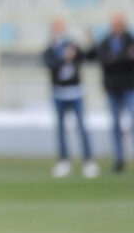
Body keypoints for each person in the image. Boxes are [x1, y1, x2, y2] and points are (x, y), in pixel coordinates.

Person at [43, 19, 98, 178]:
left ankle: (88, 161)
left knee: (81, 127)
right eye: (56, 28)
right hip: (59, 93)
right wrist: (64, 57)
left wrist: (90, 41)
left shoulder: (72, 46)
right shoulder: (50, 49)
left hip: (75, 92)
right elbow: (51, 65)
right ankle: (64, 161)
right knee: (61, 129)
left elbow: (91, 56)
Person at [86, 14, 134, 173]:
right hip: (112, 87)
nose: (117, 28)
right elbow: (95, 56)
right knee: (115, 125)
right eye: (115, 25)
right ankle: (119, 159)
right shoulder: (106, 42)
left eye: (119, 25)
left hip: (129, 86)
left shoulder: (129, 40)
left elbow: (115, 60)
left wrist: (114, 59)